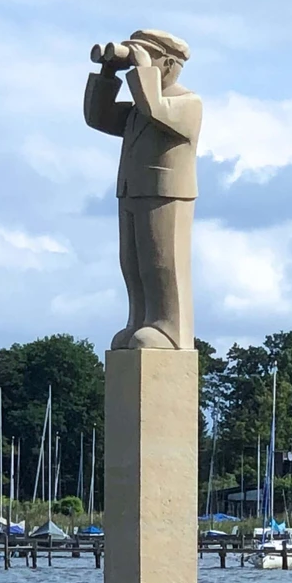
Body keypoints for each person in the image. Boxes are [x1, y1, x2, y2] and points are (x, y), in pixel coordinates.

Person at [84, 29, 201, 351]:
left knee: (162, 263)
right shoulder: (140, 108)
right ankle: (140, 320)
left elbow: (155, 109)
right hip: (132, 190)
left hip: (167, 194)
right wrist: (109, 71)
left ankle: (170, 328)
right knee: (133, 262)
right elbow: (98, 117)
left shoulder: (187, 103)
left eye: (148, 57)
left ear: (167, 63)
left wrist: (142, 67)